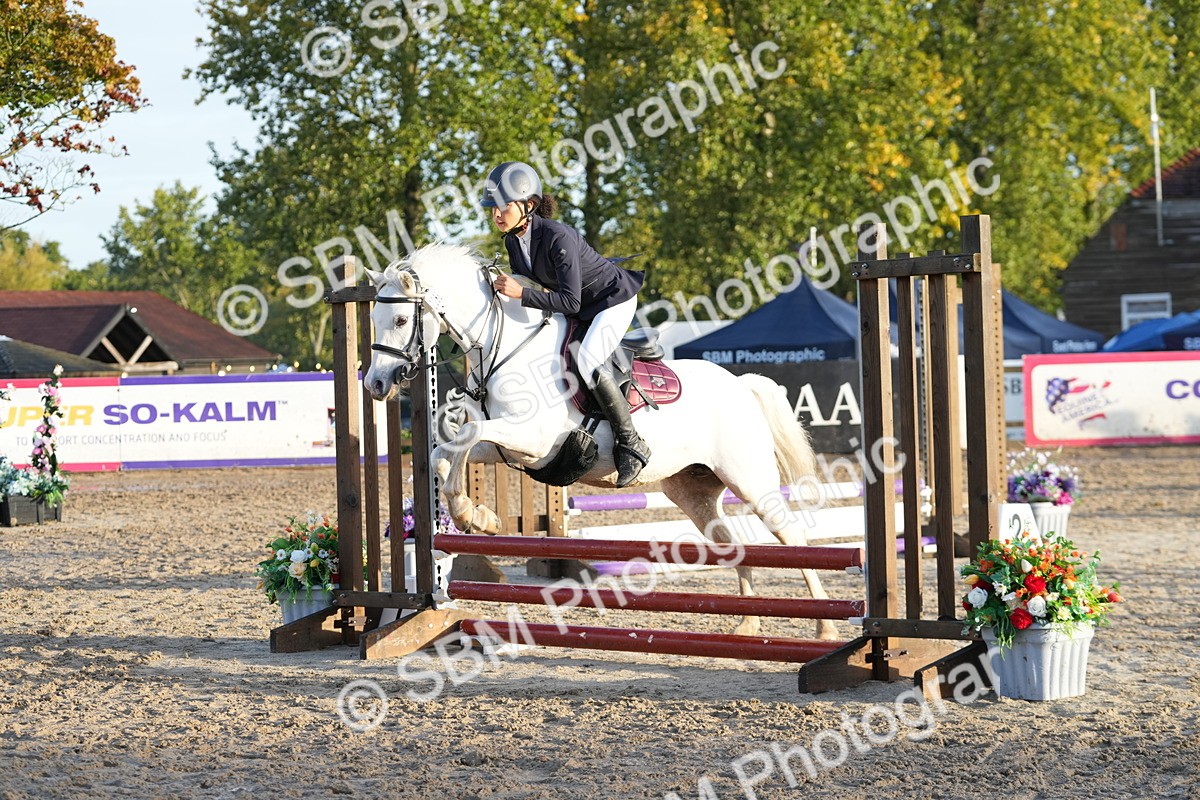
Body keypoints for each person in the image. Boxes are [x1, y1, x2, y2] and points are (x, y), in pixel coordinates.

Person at [481, 161, 651, 487]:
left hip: (610, 301)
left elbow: (568, 301)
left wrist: (521, 293)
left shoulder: (557, 236)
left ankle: (631, 442)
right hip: (580, 307)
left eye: (504, 206)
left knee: (587, 360)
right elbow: (533, 287)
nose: (497, 215)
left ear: (529, 205)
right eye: (493, 208)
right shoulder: (513, 241)